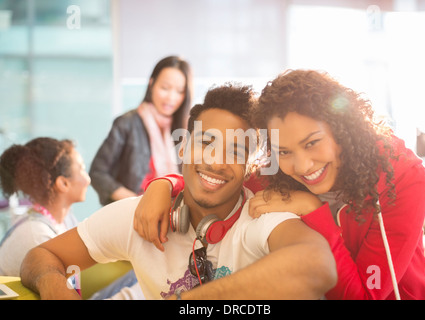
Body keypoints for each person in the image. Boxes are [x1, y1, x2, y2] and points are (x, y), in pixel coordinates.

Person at [134, 70, 425, 300]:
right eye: (283, 151)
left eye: (312, 143)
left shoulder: (404, 178)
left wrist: (314, 210)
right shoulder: (278, 175)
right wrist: (163, 185)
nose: (302, 166)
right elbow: (218, 182)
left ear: (343, 131)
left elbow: (363, 297)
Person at [20, 83, 337, 300]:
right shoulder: (137, 215)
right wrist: (54, 286)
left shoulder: (261, 219)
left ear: (251, 167)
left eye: (236, 151)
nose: (215, 162)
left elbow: (317, 265)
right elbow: (42, 255)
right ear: (184, 146)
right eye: (206, 143)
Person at [89, 56, 193, 205]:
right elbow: (98, 172)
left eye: (179, 91)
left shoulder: (186, 129)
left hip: (174, 214)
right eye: (165, 88)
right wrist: (135, 201)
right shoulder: (127, 123)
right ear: (152, 84)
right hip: (132, 214)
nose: (171, 97)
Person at [0, 138, 88, 276]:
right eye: (82, 169)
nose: (87, 179)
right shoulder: (37, 237)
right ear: (63, 183)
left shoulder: (65, 220)